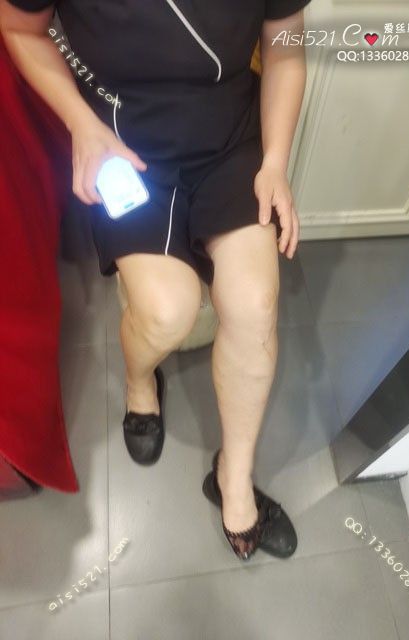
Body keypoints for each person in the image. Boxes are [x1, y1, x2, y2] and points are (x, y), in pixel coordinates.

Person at [0, 0, 311, 561]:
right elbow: (20, 28)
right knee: (166, 311)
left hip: (231, 134)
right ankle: (141, 382)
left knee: (255, 304)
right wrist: (81, 124)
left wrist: (275, 163)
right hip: (123, 138)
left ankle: (233, 477)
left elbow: (285, 42)